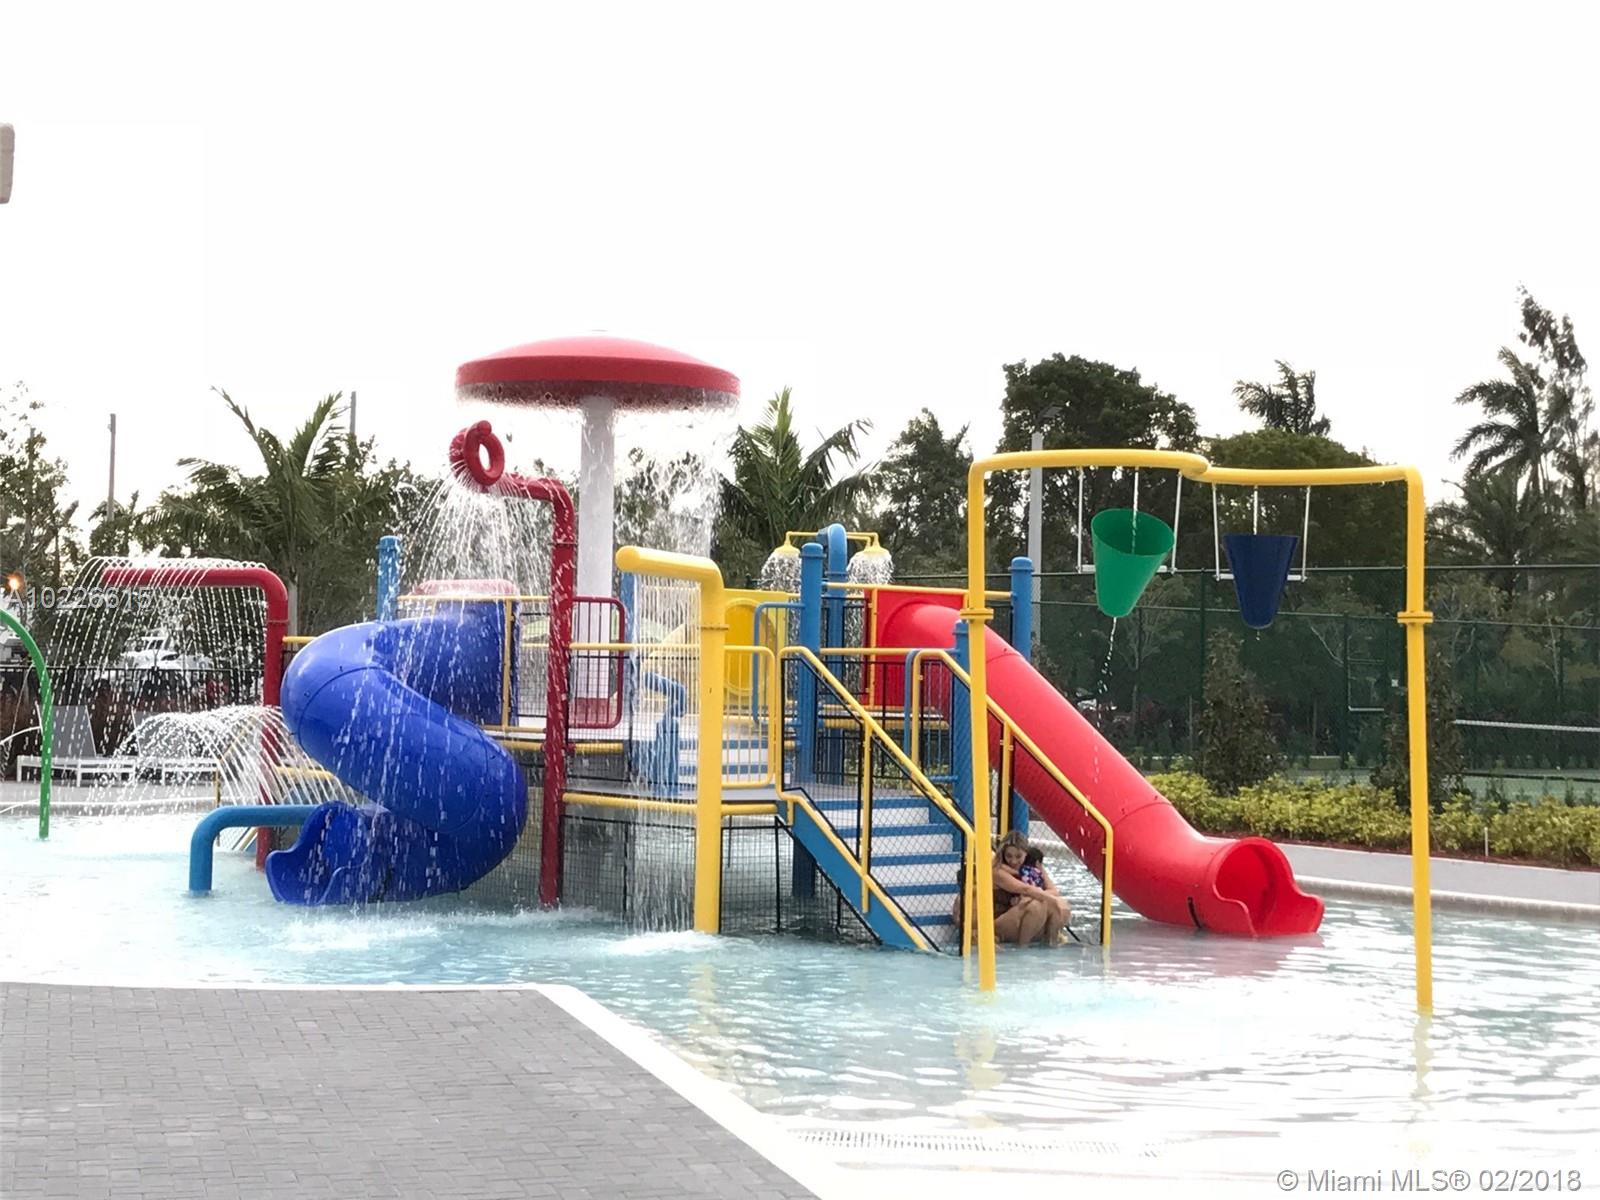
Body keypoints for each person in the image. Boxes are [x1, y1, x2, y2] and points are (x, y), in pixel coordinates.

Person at [990, 831, 1065, 947]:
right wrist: (1038, 897)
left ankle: (1051, 945)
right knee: (1037, 906)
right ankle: (1022, 948)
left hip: (1020, 916)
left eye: (1018, 856)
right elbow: (1025, 889)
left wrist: (1033, 897)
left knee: (1059, 906)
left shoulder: (1032, 868)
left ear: (1026, 854)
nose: (1013, 861)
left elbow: (1054, 891)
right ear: (1002, 854)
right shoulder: (997, 870)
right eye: (1008, 856)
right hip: (998, 922)